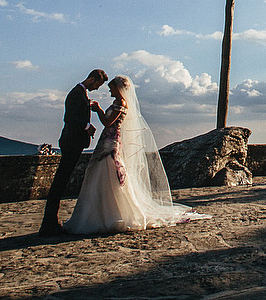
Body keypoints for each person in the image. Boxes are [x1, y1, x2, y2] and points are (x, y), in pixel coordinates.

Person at [64, 75, 208, 234]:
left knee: (110, 172)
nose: (110, 91)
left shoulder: (121, 103)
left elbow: (107, 122)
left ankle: (113, 212)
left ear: (118, 88)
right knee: (101, 173)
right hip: (106, 140)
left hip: (111, 142)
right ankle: (100, 213)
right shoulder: (116, 103)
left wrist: (98, 109)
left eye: (111, 88)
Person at [39, 68, 108, 236]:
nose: (97, 89)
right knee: (60, 182)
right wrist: (87, 126)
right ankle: (49, 224)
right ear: (92, 79)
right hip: (72, 142)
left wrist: (88, 105)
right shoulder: (77, 93)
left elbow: (77, 111)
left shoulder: (79, 93)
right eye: (97, 85)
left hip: (72, 142)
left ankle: (50, 222)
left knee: (61, 181)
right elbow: (70, 118)